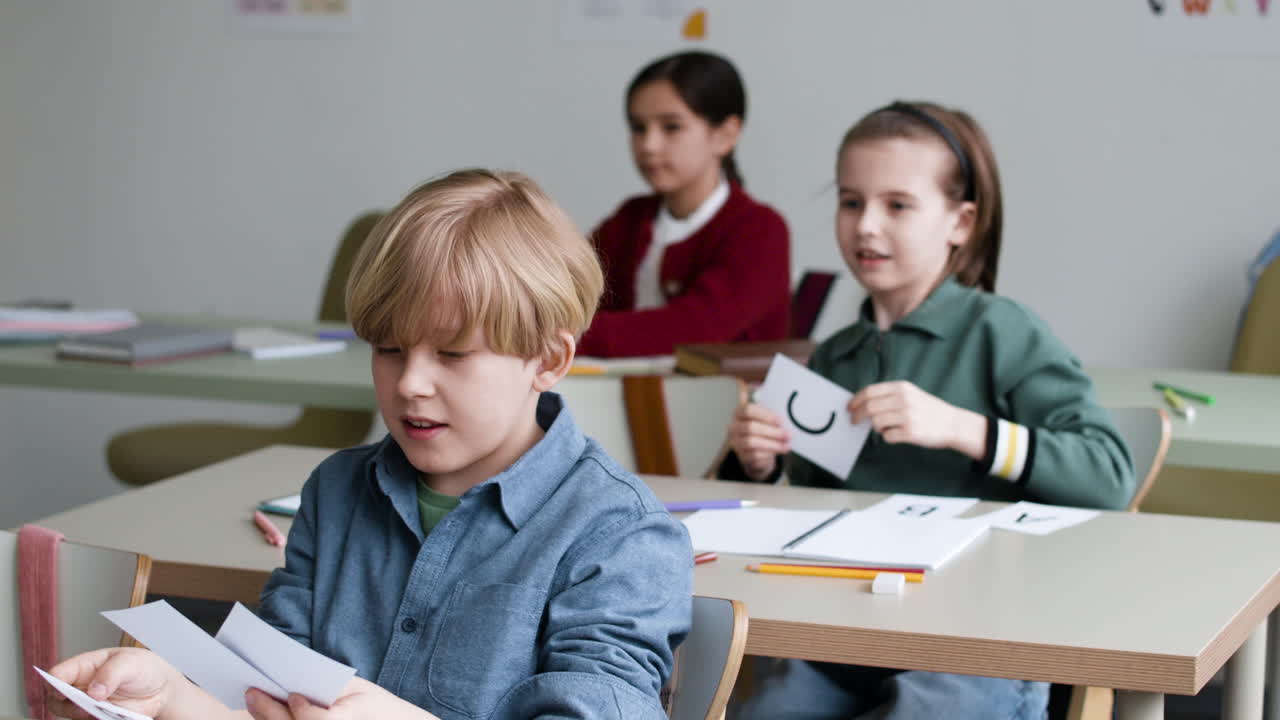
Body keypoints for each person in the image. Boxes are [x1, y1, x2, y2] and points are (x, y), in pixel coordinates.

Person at [50, 169, 693, 720]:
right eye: (388, 349)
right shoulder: (337, 491)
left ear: (547, 359)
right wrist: (172, 697)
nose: (411, 383)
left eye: (452, 354)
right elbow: (262, 697)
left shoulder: (619, 535)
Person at [723, 102, 1135, 720]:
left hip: (978, 634)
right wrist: (758, 463)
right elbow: (809, 501)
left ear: (960, 223)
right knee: (774, 705)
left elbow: (1108, 475)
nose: (866, 227)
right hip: (848, 628)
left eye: (898, 205)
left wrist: (963, 429)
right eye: (851, 202)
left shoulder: (1003, 331)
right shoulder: (836, 355)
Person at [579, 50, 791, 357]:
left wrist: (562, 335)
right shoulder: (629, 218)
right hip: (630, 394)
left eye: (671, 127)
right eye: (639, 128)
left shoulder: (760, 229)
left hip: (726, 402)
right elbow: (565, 288)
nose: (649, 145)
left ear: (726, 135)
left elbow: (693, 330)